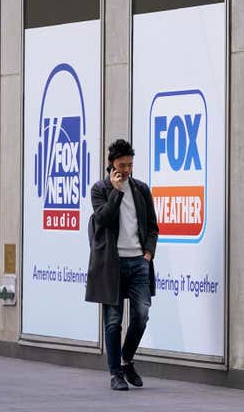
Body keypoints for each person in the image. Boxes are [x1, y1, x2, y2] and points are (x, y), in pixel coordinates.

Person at [86, 139, 158, 390]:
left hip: (139, 262)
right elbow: (103, 219)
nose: (126, 170)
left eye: (129, 165)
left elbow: (152, 226)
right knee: (113, 321)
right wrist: (116, 192)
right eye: (121, 165)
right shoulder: (100, 189)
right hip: (111, 264)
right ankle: (116, 373)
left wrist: (147, 253)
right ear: (111, 164)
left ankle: (127, 360)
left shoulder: (141, 189)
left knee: (141, 315)